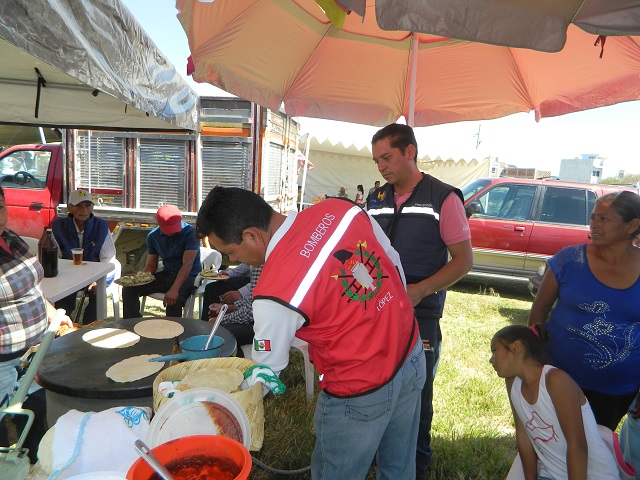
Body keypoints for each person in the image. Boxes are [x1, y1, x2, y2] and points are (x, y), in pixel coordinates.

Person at [196, 186, 425, 480]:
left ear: (252, 235)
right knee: (399, 469)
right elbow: (392, 260)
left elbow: (267, 371)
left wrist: (223, 407)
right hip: (411, 353)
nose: (231, 259)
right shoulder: (340, 210)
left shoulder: (273, 291)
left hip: (358, 391)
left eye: (230, 251)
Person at [368, 123, 473, 479]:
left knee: (416, 391)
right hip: (376, 309)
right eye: (376, 160)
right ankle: (379, 453)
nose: (381, 167)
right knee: (376, 381)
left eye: (386, 157)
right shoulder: (376, 199)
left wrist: (421, 290)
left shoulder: (444, 197)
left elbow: (464, 260)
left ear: (409, 151)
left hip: (420, 312)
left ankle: (416, 464)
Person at [529, 190, 640, 431]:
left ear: (632, 225)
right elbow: (538, 312)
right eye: (593, 217)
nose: (594, 224)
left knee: (595, 450)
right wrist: (535, 362)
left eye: (604, 219)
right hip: (557, 378)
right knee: (550, 444)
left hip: (615, 390)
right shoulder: (569, 260)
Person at [490, 324, 619, 479]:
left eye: (494, 350)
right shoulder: (513, 383)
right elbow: (523, 435)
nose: (491, 360)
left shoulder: (555, 381)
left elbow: (576, 445)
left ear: (516, 347)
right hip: (552, 474)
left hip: (593, 475)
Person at [1, 186, 73, 460]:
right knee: (7, 426)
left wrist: (53, 313)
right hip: (3, 360)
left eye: (0, 207)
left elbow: (31, 287)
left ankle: (36, 465)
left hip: (36, 349)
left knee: (40, 412)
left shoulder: (9, 238)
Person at [52, 189, 119, 324]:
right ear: (70, 208)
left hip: (93, 276)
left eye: (87, 206)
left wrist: (98, 279)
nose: (84, 210)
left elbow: (108, 258)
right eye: (79, 206)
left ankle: (90, 329)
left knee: (96, 295)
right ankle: (63, 328)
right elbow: (55, 257)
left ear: (92, 208)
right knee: (62, 297)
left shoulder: (101, 226)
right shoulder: (58, 227)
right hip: (68, 275)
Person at [122, 205, 201, 319]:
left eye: (174, 228)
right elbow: (151, 265)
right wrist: (138, 278)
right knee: (129, 288)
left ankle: (173, 334)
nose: (171, 233)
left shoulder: (191, 233)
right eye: (167, 229)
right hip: (168, 273)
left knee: (174, 300)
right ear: (157, 222)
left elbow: (187, 264)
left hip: (189, 275)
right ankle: (133, 324)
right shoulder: (153, 236)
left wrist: (174, 289)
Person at [206, 266, 262, 350]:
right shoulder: (258, 265)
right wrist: (230, 308)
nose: (231, 259)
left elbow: (250, 312)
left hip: (267, 328)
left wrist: (220, 320)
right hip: (260, 319)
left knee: (218, 332)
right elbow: (251, 300)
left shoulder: (262, 266)